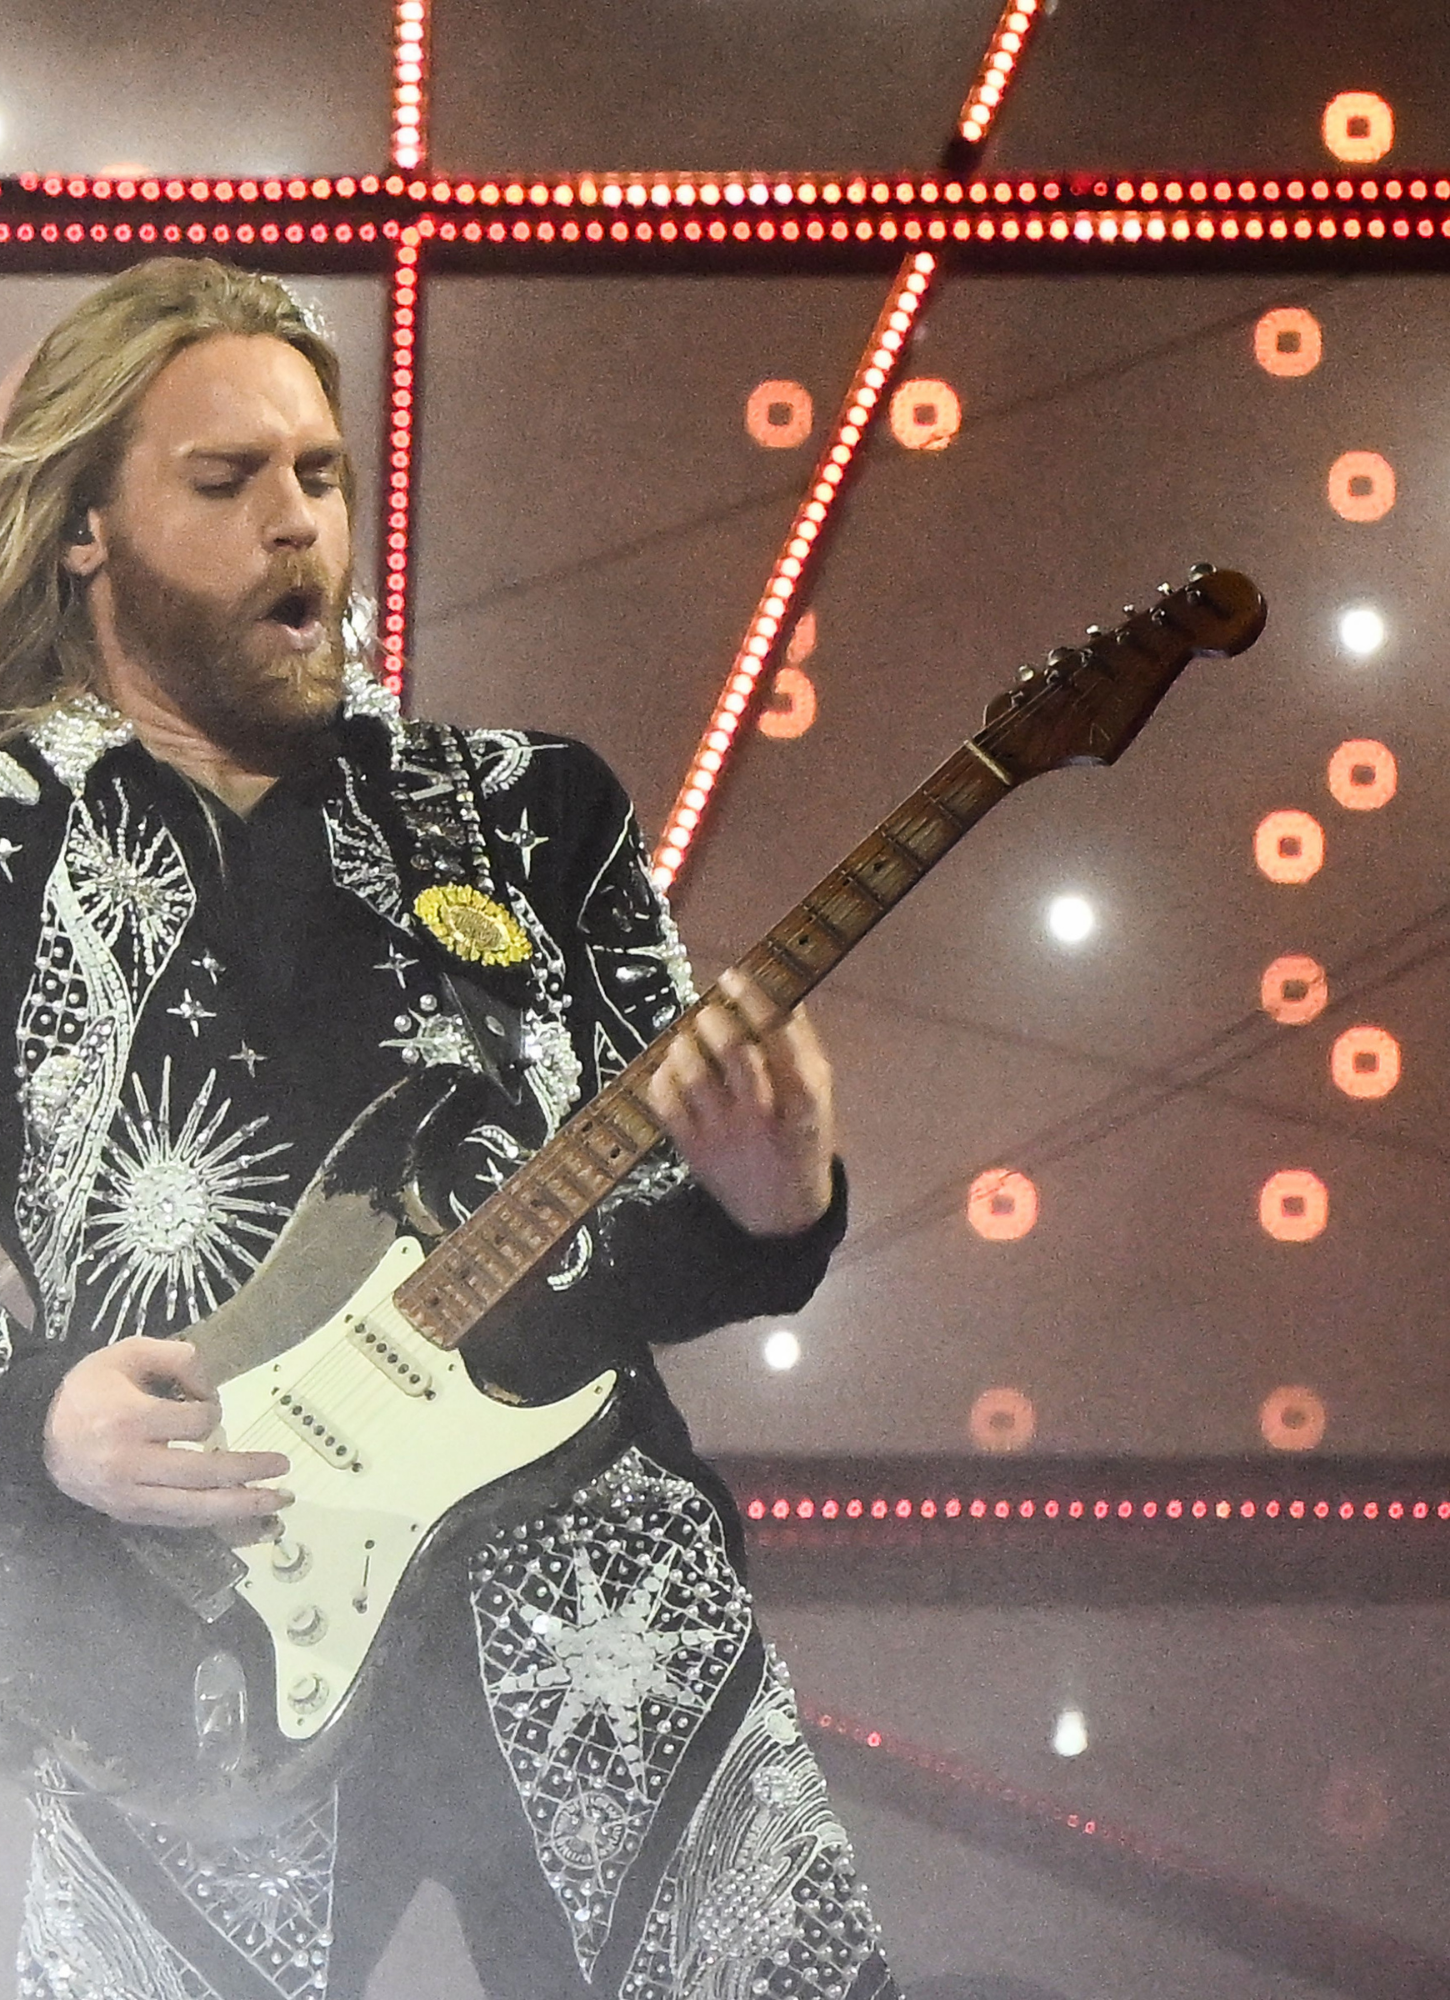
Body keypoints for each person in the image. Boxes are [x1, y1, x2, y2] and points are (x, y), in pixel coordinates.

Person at [0, 258, 899, 2000]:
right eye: (226, 479)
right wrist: (33, 1419)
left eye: (321, 475)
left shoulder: (524, 811)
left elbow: (649, 1227)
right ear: (85, 523)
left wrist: (772, 1207)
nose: (296, 525)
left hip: (594, 1610)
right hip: (175, 1635)